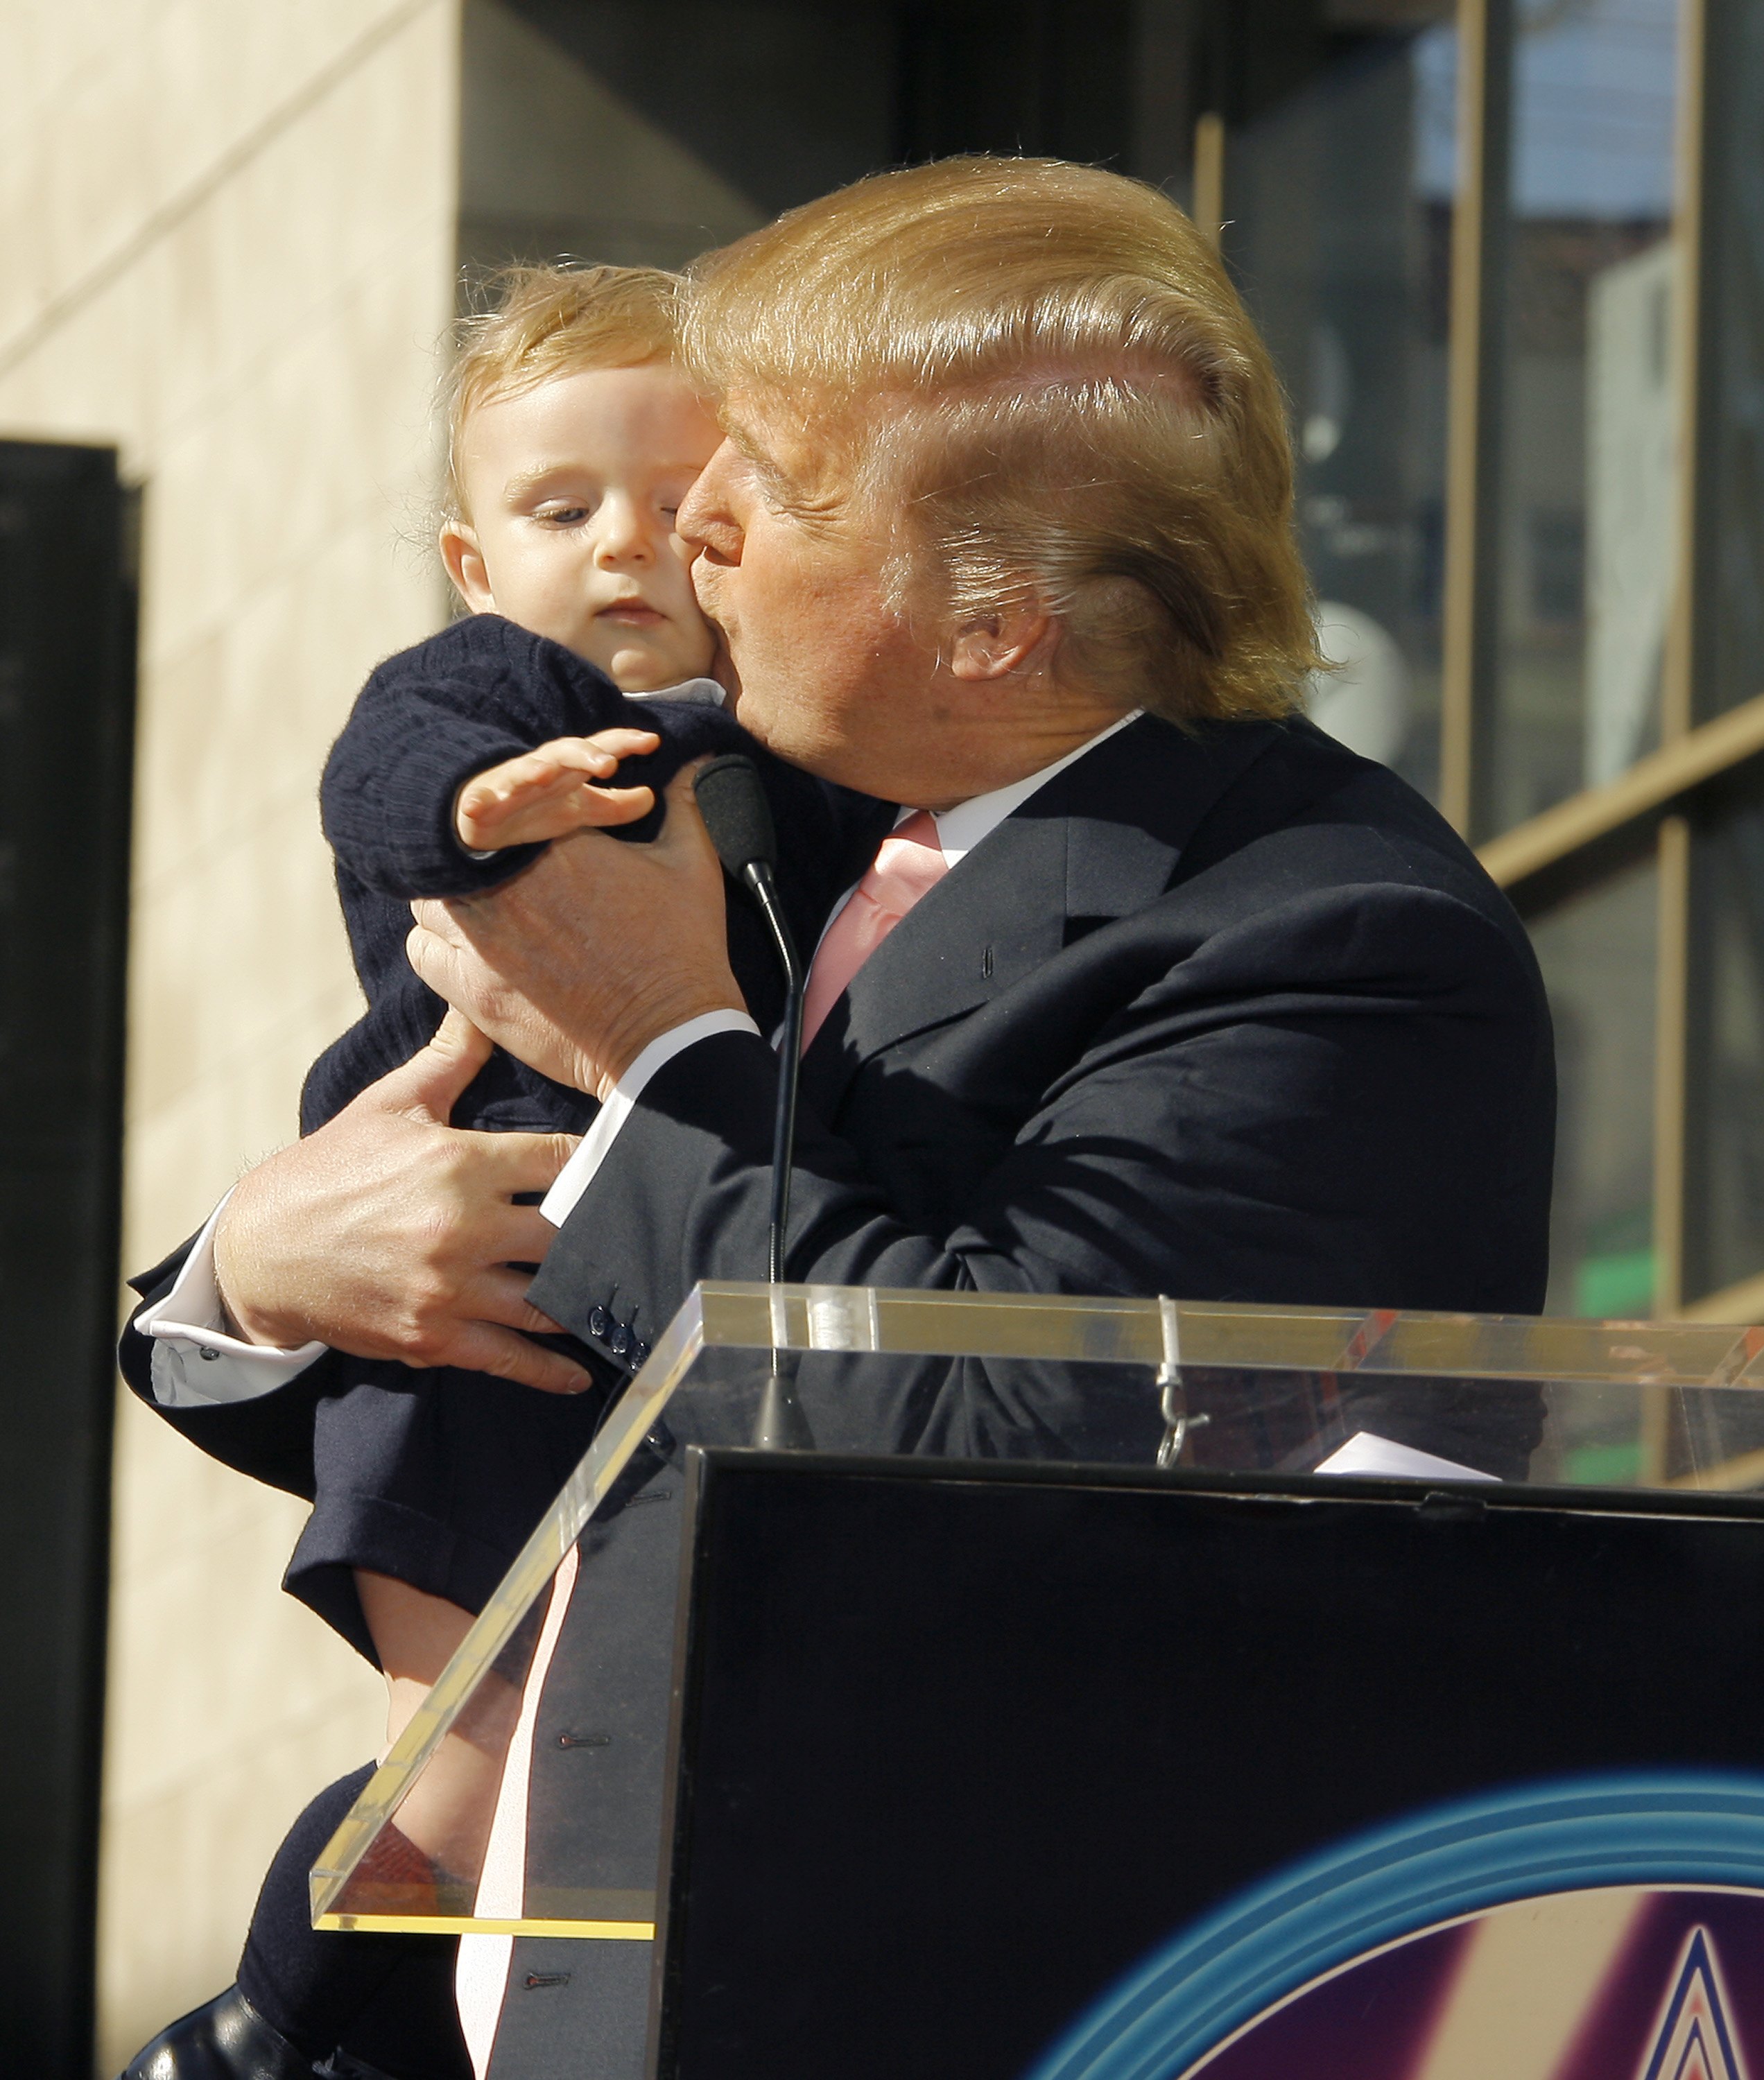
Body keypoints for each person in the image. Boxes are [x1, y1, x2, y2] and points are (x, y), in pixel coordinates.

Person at [119, 157, 1555, 2078]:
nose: (684, 520)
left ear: (995, 626)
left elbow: (1004, 1439)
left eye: (771, 484)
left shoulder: (1336, 936)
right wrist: (261, 1270)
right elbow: (527, 1348)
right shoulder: (767, 802)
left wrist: (653, 1043)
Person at [117, 263, 870, 2080]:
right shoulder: (498, 694)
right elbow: (387, 768)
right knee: (462, 1759)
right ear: (474, 563)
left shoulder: (808, 747)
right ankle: (265, 2039)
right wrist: (480, 809)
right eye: (560, 510)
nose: (625, 549)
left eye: (680, 505)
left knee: (585, 1751)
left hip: (650, 1315)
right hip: (464, 1321)